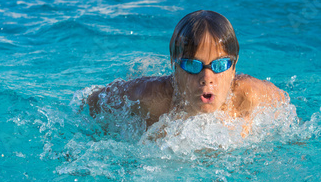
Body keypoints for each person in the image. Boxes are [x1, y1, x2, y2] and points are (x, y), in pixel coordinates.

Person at [87, 10, 292, 135]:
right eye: (193, 65)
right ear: (175, 67)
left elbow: (286, 109)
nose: (206, 78)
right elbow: (94, 100)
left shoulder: (249, 95)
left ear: (234, 67)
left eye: (219, 66)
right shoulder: (152, 99)